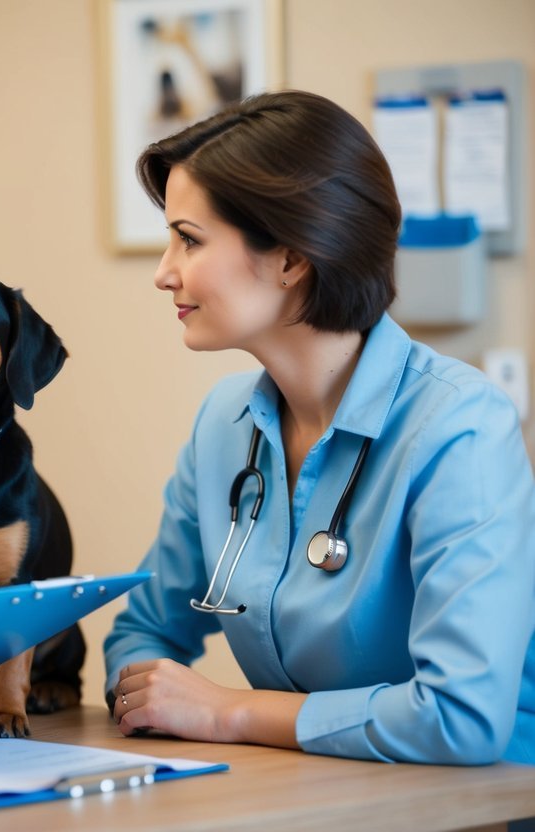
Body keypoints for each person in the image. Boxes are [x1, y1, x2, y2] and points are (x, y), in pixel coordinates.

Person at [103, 90, 535, 765]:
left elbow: (461, 718)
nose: (164, 273)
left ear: (291, 257)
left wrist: (229, 711)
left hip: (475, 806)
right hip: (308, 791)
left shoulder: (459, 429)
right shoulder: (223, 426)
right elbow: (143, 634)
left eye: (187, 239)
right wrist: (147, 693)